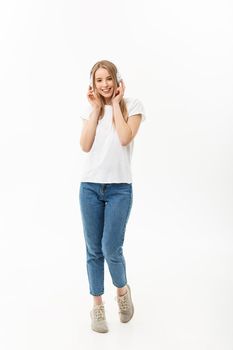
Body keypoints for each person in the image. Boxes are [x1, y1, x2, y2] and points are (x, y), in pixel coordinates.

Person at [79, 60, 145, 333]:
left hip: (119, 189)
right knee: (93, 250)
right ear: (93, 84)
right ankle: (97, 305)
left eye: (108, 79)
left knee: (111, 248)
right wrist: (97, 110)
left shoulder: (133, 105)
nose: (104, 84)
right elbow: (85, 146)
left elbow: (125, 138)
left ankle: (122, 291)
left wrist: (116, 105)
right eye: (99, 80)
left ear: (117, 79)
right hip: (90, 188)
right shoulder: (91, 111)